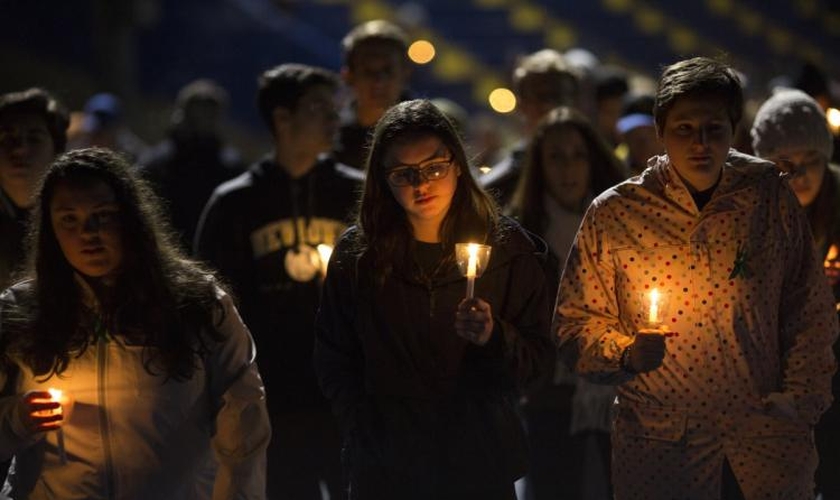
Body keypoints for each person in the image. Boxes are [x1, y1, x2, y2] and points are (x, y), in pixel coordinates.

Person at [555, 56, 838, 499]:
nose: (700, 143)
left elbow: (809, 309)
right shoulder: (616, 214)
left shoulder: (767, 196)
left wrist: (801, 396)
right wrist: (627, 353)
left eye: (714, 129)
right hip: (663, 453)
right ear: (661, 131)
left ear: (734, 129)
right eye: (685, 129)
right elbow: (573, 329)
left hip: (764, 442)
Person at [313, 99, 555, 499]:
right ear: (382, 179)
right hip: (388, 463)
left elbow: (538, 359)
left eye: (434, 168)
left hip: (478, 459)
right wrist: (364, 422)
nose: (421, 184)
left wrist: (496, 337)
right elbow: (334, 354)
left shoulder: (507, 248)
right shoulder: (360, 255)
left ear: (457, 163)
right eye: (404, 174)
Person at [0, 147, 269, 499]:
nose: (88, 233)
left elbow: (244, 421)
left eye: (103, 215)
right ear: (49, 228)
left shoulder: (196, 304)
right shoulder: (20, 312)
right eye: (69, 219)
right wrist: (17, 419)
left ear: (130, 218)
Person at [194, 63, 360, 500]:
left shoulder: (358, 195)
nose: (333, 118)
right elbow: (208, 305)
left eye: (334, 107)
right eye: (318, 108)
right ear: (282, 119)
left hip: (348, 395)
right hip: (273, 397)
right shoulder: (236, 202)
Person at [508, 106, 625, 500]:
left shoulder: (620, 222)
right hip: (550, 392)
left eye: (578, 155)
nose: (568, 168)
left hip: (619, 384)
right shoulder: (522, 235)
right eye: (556, 157)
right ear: (540, 165)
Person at [750, 88, 840, 499]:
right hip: (775, 376)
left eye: (811, 162)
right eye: (787, 165)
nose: (801, 176)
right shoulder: (755, 212)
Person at [138, 78, 245, 250]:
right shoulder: (157, 164)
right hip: (170, 259)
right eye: (198, 116)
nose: (202, 122)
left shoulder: (230, 167)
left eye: (207, 115)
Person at [480, 48, 581, 206]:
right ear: (521, 104)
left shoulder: (601, 169)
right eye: (540, 96)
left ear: (574, 100)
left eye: (557, 95)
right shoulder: (497, 187)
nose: (549, 105)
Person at [0, 88, 69, 291]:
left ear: (56, 149)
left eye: (34, 138)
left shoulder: (76, 213)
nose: (20, 149)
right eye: (7, 138)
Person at [333, 19, 412, 171]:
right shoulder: (330, 137)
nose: (378, 81)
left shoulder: (428, 130)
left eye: (387, 70)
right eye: (368, 72)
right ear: (348, 76)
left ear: (406, 73)